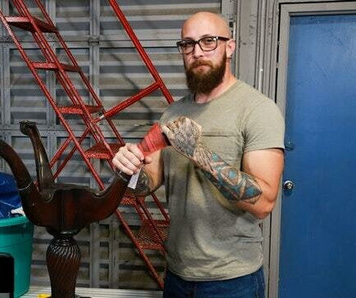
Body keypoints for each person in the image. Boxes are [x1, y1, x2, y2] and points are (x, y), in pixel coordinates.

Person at [112, 12, 284, 297]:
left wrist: (197, 152)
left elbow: (263, 202)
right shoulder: (172, 113)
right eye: (188, 44)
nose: (197, 52)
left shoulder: (258, 110)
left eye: (209, 41)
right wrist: (127, 171)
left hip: (231, 279)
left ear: (229, 47)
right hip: (178, 275)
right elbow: (147, 183)